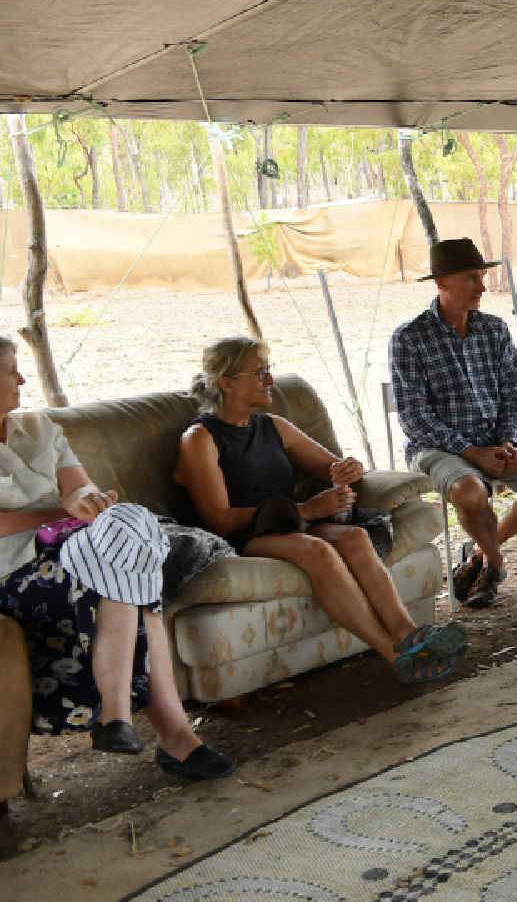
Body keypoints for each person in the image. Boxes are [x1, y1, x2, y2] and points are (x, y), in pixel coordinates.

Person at [0, 335, 234, 812]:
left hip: (65, 551)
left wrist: (89, 501)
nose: (21, 379)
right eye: (10, 371)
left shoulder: (37, 428)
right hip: (13, 572)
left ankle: (120, 718)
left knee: (132, 522)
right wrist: (57, 513)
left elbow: (76, 485)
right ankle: (169, 736)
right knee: (131, 575)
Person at [177, 337, 467, 684]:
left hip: (294, 522)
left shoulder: (273, 426)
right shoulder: (200, 439)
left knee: (356, 536)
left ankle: (411, 635)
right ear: (227, 383)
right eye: (260, 373)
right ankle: (395, 655)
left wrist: (349, 470)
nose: (270, 380)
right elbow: (219, 519)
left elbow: (332, 467)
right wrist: (307, 510)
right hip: (244, 534)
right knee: (318, 550)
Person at [390, 238, 517, 609]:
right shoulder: (409, 338)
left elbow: (516, 390)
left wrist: (506, 441)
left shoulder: (495, 329)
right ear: (442, 283)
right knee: (471, 492)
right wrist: (471, 451)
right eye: (472, 278)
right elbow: (414, 417)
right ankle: (496, 564)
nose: (482, 287)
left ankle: (479, 555)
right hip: (439, 448)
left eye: (483, 276)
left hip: (497, 441)